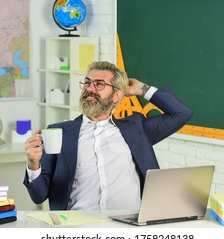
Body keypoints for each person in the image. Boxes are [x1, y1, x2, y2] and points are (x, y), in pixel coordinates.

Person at [23, 61, 193, 211]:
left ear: (116, 95)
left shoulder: (136, 129)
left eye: (99, 84)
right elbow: (38, 196)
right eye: (87, 83)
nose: (89, 89)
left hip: (129, 226)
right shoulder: (58, 133)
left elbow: (181, 113)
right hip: (79, 228)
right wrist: (33, 163)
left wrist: (142, 89)